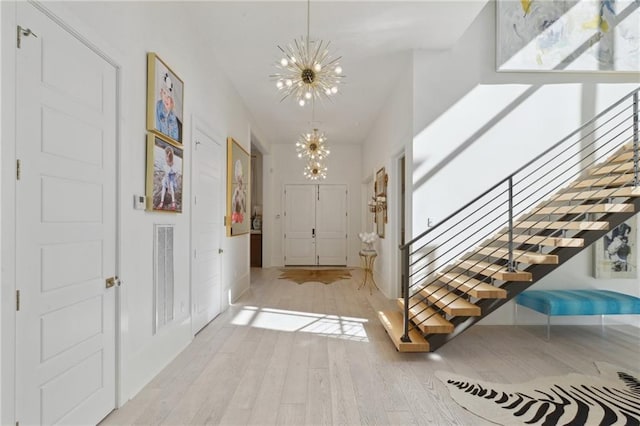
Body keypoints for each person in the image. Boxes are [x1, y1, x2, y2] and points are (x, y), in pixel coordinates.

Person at [156, 73, 180, 141]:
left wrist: (169, 112)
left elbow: (175, 138)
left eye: (169, 97)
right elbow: (157, 128)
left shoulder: (172, 115)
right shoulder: (158, 106)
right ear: (161, 93)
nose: (166, 98)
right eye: (164, 93)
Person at [156, 146, 177, 210]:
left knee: (169, 185)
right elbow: (167, 176)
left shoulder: (170, 164)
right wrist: (169, 187)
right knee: (165, 186)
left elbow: (171, 175)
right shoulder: (170, 163)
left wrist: (170, 188)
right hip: (168, 179)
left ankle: (169, 202)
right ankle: (164, 202)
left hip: (171, 180)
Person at [231, 159, 246, 224]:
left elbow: (243, 200)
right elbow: (233, 201)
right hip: (236, 209)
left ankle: (238, 216)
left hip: (240, 209)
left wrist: (244, 207)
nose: (240, 184)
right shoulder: (237, 190)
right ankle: (236, 217)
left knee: (240, 204)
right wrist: (236, 195)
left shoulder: (242, 190)